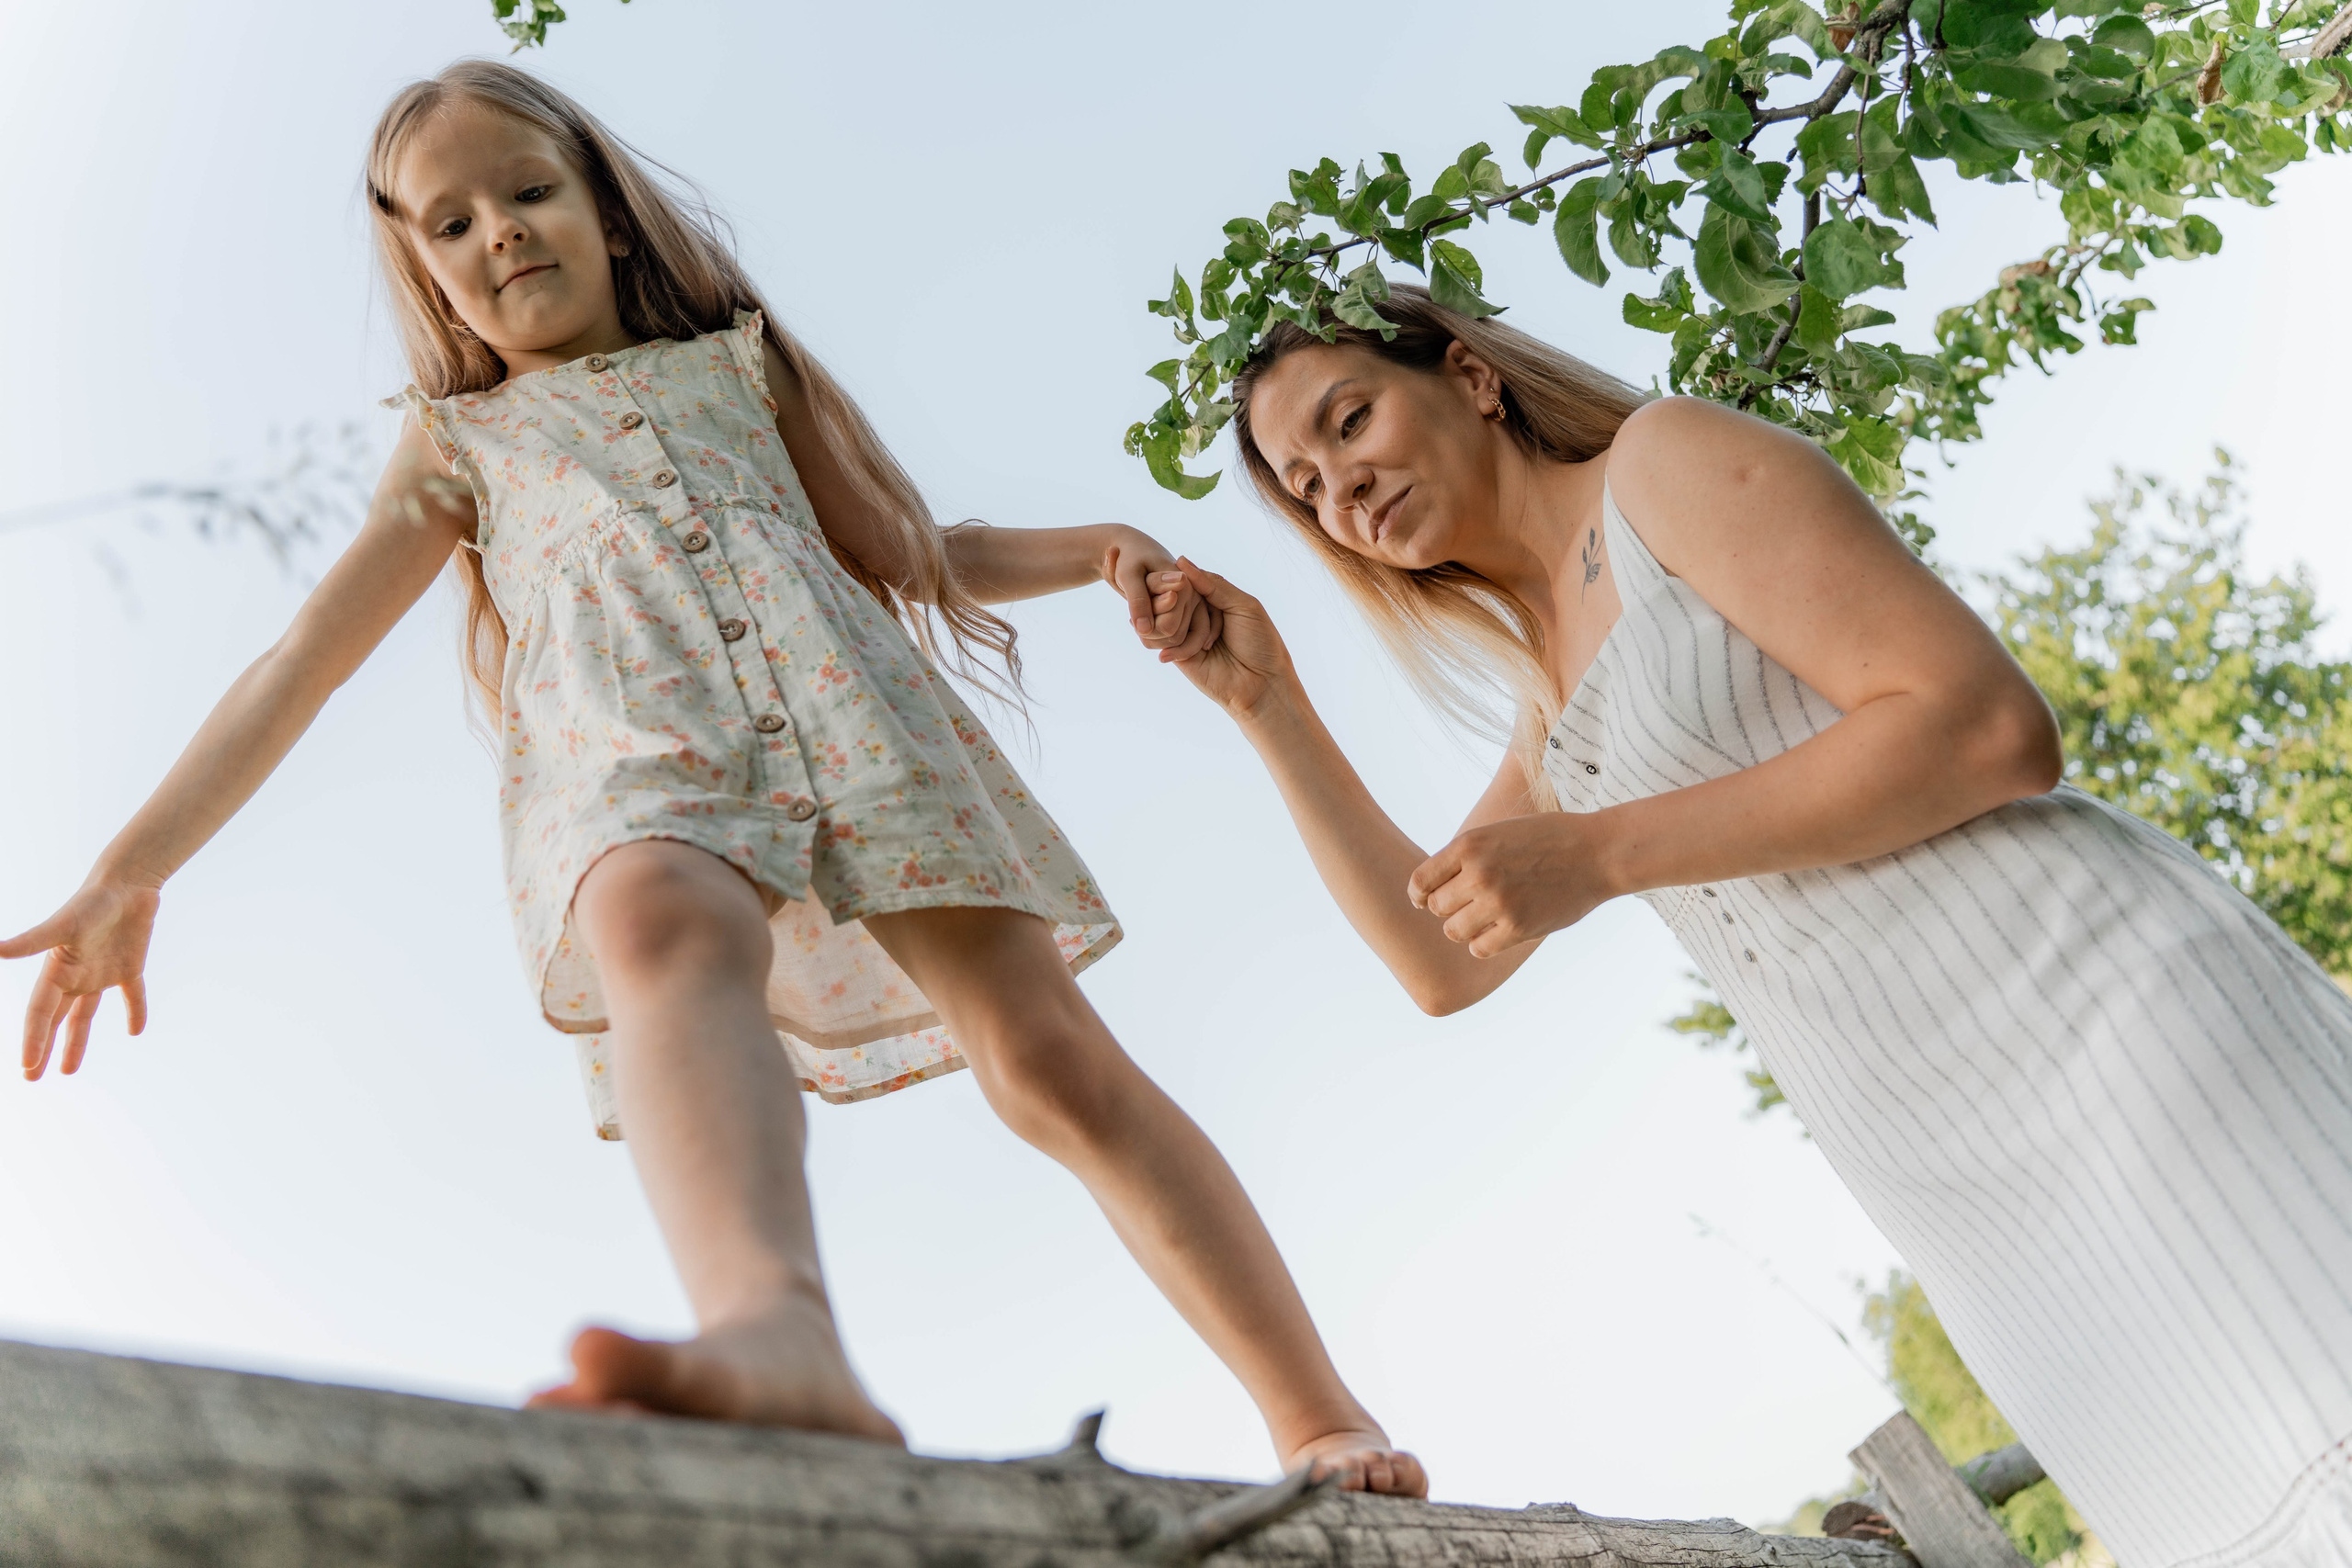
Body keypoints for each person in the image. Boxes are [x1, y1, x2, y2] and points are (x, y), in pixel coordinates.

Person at [0, 60, 1422, 1495]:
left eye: (529, 190)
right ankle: (775, 1333)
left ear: (608, 215)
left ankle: (1317, 1414)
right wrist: (132, 867)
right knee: (661, 928)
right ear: (426, 275)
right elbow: (301, 658)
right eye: (451, 223)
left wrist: (1097, 544)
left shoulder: (741, 360)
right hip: (637, 750)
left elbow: (912, 550)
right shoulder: (457, 446)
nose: (498, 230)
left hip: (862, 730)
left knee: (1047, 1054)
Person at [1147, 284, 2352, 1563]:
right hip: (1960, 1182)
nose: (1340, 485)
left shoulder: (1659, 466)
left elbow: (1987, 727)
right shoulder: (1546, 706)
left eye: (1350, 420)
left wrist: (1603, 851)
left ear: (1471, 377)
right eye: (1304, 484)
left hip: (2110, 1030)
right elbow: (1440, 957)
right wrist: (1264, 704)